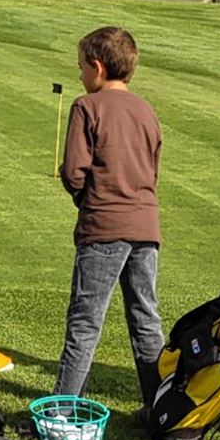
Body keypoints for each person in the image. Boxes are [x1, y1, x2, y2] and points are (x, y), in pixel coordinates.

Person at [53, 26, 164, 408]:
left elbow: (73, 172)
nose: (80, 75)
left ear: (97, 68)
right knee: (146, 320)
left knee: (85, 322)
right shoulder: (148, 110)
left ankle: (63, 408)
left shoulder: (87, 107)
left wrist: (87, 199)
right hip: (146, 227)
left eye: (82, 67)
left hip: (103, 227)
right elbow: (151, 170)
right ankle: (161, 408)